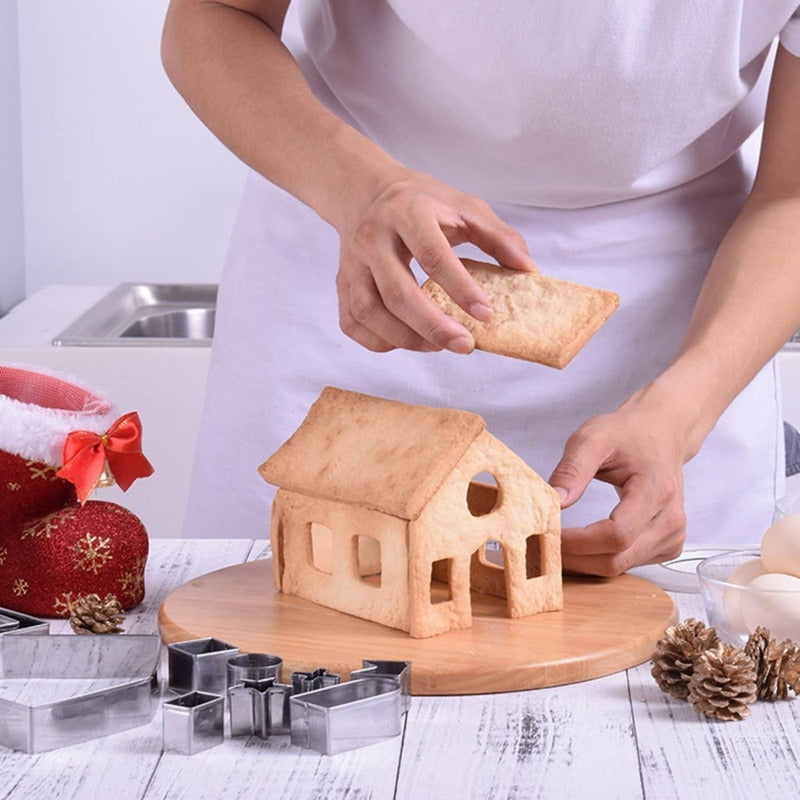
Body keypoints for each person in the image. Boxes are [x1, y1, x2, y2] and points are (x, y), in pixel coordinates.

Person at [162, 1, 800, 575]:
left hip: (680, 329)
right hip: (350, 240)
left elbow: (792, 193)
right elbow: (212, 17)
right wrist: (361, 188)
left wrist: (682, 412)